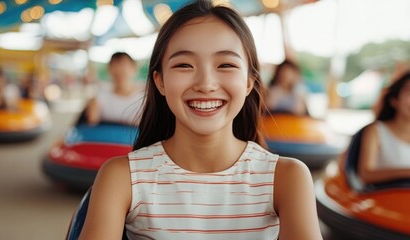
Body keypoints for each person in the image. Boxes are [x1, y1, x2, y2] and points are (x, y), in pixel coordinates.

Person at [79, 1, 322, 240]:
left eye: (226, 64)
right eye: (184, 65)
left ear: (249, 83)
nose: (205, 84)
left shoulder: (287, 179)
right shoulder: (121, 177)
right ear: (160, 81)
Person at [358, 71, 410, 184]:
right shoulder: (375, 131)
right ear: (394, 100)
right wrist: (406, 172)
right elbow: (365, 174)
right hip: (383, 197)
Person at [85, 52, 144, 125]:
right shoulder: (100, 97)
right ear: (109, 69)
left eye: (124, 65)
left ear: (134, 68)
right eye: (116, 65)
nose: (119, 70)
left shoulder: (144, 99)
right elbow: (92, 121)